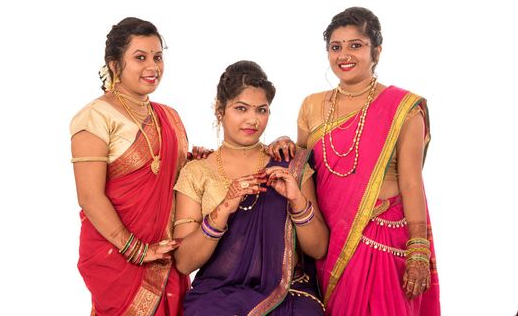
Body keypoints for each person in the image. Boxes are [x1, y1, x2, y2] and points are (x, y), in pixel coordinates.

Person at [268, 7, 440, 315]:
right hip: (327, 240)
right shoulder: (312, 105)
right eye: (336, 47)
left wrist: (418, 248)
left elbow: (411, 181)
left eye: (355, 45)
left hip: (381, 238)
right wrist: (284, 146)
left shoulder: (403, 108)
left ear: (376, 51)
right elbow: (303, 168)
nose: (344, 55)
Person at [70, 17, 207, 315]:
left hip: (166, 253)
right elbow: (90, 196)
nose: (153, 67)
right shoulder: (95, 117)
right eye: (140, 57)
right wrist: (136, 250)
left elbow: (172, 181)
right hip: (116, 257)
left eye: (158, 57)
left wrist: (197, 164)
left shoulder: (169, 116)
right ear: (115, 65)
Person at [172, 60, 329, 315]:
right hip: (217, 296)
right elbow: (184, 262)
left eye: (261, 110)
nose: (253, 120)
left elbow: (319, 248)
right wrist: (224, 207)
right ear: (219, 110)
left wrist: (297, 201)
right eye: (241, 108)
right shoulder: (197, 171)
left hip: (287, 294)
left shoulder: (289, 166)